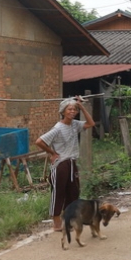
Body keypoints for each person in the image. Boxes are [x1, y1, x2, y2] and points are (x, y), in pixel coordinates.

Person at [35, 96, 95, 231]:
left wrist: (82, 107)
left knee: (73, 192)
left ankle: (68, 219)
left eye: (74, 109)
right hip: (61, 165)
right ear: (63, 111)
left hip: (72, 162)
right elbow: (39, 141)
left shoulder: (75, 125)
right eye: (69, 109)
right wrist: (52, 153)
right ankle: (56, 223)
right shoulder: (58, 128)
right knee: (58, 193)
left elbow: (91, 123)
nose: (72, 111)